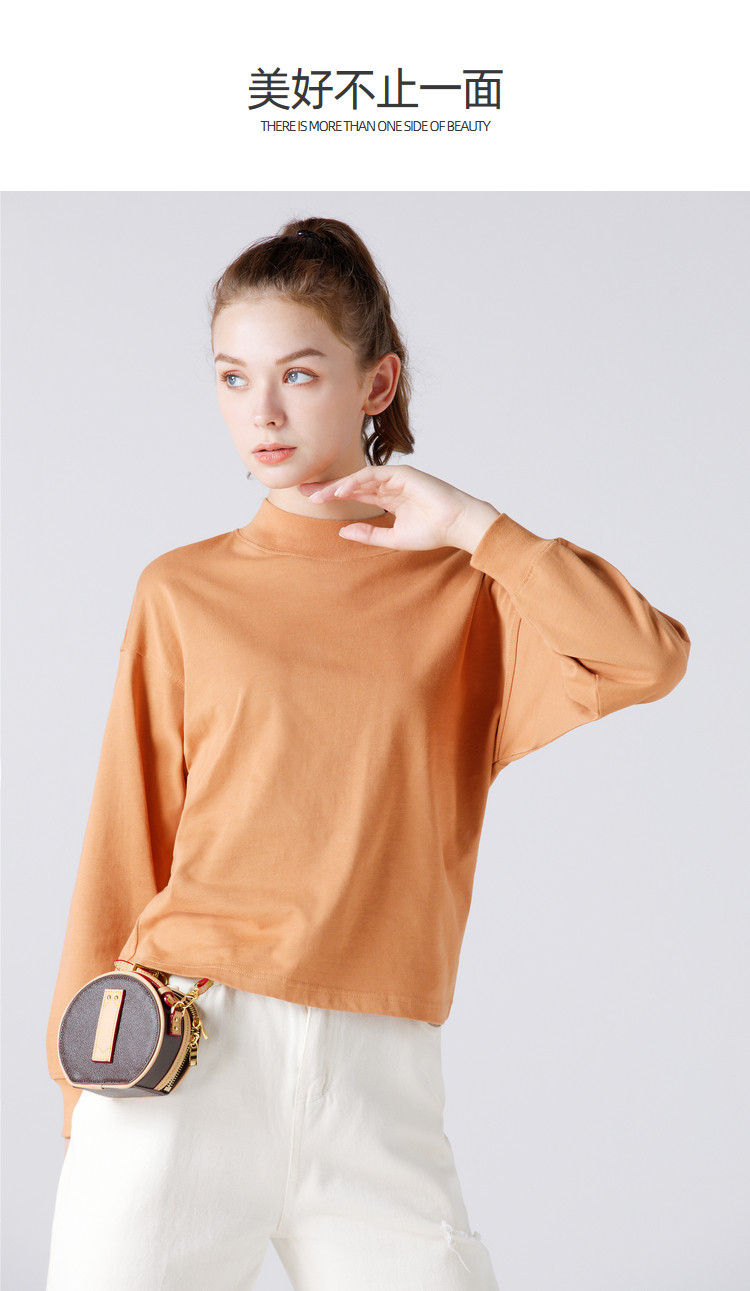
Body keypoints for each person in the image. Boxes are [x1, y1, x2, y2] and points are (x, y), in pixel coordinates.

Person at [44, 216, 691, 1290]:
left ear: (376, 383)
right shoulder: (184, 589)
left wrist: (477, 527)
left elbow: (647, 657)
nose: (262, 411)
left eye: (298, 374)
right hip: (183, 1050)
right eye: (234, 377)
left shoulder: (467, 593)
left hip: (379, 1076)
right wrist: (83, 1089)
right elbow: (128, 831)